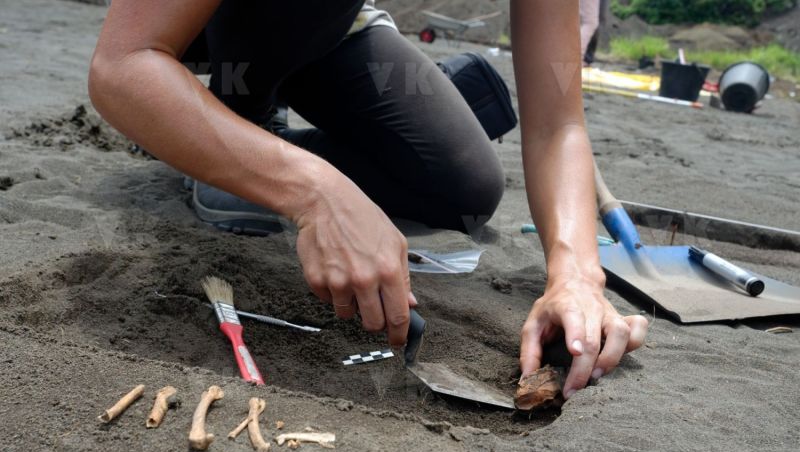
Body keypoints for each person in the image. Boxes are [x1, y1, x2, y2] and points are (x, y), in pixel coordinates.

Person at [89, 1, 648, 399]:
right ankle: (236, 119)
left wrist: (577, 274)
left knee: (465, 185)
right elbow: (121, 66)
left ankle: (233, 141)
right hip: (201, 26)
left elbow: (557, 127)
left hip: (337, 26)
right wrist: (316, 192)